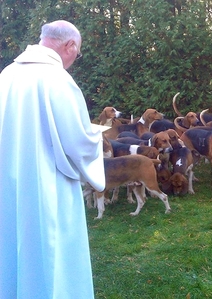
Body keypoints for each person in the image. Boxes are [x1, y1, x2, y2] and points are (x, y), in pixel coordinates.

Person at [0, 20, 105, 298]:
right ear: (69, 45)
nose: (75, 60)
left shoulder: (7, 75)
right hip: (49, 185)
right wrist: (96, 136)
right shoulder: (58, 79)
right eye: (77, 53)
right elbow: (78, 142)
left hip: (8, 182)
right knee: (51, 250)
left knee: (12, 246)